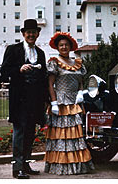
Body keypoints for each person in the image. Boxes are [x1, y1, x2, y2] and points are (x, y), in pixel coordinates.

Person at [0, 19, 47, 179]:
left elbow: (44, 78)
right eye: (28, 32)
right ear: (23, 34)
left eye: (34, 32)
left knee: (30, 133)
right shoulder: (13, 50)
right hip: (19, 99)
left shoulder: (40, 53)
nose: (31, 35)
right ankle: (17, 167)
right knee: (19, 132)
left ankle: (26, 164)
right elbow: (4, 71)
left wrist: (46, 100)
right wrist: (18, 69)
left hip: (35, 100)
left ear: (38, 34)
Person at [44, 32, 95, 175]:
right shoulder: (54, 62)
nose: (64, 47)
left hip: (75, 102)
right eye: (61, 45)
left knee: (75, 134)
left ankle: (76, 165)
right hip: (61, 102)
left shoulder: (77, 62)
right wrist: (53, 102)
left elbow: (80, 81)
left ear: (71, 46)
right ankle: (62, 166)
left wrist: (80, 92)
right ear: (57, 47)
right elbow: (50, 84)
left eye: (66, 45)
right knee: (63, 134)